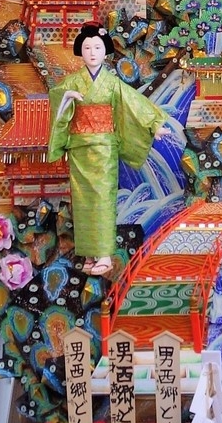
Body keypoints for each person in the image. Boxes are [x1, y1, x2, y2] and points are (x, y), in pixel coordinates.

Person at [47, 25, 166, 275]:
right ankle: (89, 255)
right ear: (80, 50)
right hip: (80, 149)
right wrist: (66, 95)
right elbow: (56, 96)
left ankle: (104, 255)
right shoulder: (73, 81)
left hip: (103, 150)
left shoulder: (112, 83)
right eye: (88, 48)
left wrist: (154, 125)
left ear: (106, 52)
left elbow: (133, 103)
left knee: (102, 199)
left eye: (97, 48)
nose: (92, 53)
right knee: (82, 201)